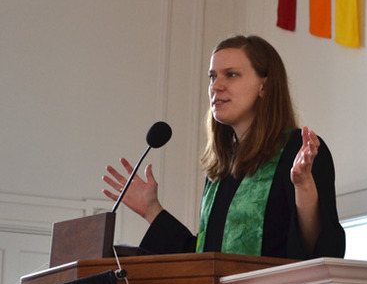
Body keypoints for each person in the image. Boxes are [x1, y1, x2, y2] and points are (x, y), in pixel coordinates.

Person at [102, 35, 345, 260]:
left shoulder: (298, 151)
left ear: (265, 86)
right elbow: (206, 258)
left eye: (231, 74)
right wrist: (151, 210)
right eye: (212, 76)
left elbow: (319, 250)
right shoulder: (222, 167)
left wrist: (303, 186)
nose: (216, 86)